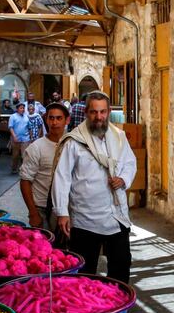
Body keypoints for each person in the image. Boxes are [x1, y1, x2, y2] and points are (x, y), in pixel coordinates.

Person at [52, 91, 137, 284]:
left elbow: (130, 162)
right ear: (86, 113)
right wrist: (62, 213)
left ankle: (118, 309)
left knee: (121, 267)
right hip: (85, 219)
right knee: (85, 272)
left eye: (103, 112)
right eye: (94, 112)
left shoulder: (119, 137)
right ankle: (87, 311)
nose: (99, 117)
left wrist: (123, 179)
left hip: (116, 216)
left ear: (108, 112)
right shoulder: (74, 141)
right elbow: (62, 177)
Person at [20, 103, 69, 229]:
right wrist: (33, 213)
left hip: (67, 207)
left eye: (59, 118)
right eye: (51, 118)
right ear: (46, 120)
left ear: (67, 120)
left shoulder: (73, 145)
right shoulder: (36, 147)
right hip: (41, 207)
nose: (54, 122)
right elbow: (25, 181)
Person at [8, 102, 30, 174]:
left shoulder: (26, 116)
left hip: (25, 138)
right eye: (21, 108)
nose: (22, 109)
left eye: (23, 108)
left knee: (25, 155)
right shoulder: (13, 116)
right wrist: (14, 136)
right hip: (16, 138)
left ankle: (23, 169)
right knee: (15, 155)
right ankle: (14, 169)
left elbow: (29, 127)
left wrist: (31, 137)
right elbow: (10, 127)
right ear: (17, 109)